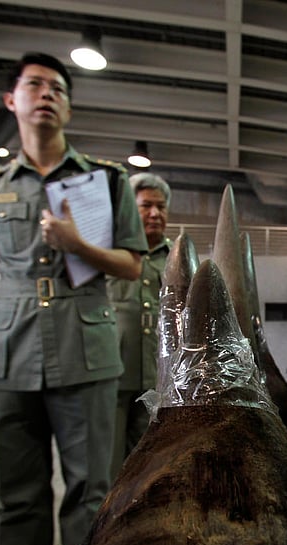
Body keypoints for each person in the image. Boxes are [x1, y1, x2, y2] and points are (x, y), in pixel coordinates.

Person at [0, 52, 147, 545]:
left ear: (69, 107)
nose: (46, 94)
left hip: (85, 346)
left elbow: (131, 265)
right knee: (18, 497)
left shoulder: (105, 180)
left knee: (90, 493)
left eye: (57, 87)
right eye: (34, 85)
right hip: (6, 353)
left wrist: (78, 245)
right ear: (11, 100)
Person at [107, 173, 171, 481]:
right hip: (114, 372)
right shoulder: (109, 254)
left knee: (151, 464)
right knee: (108, 462)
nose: (155, 213)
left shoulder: (176, 257)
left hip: (157, 378)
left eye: (161, 206)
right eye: (146, 206)